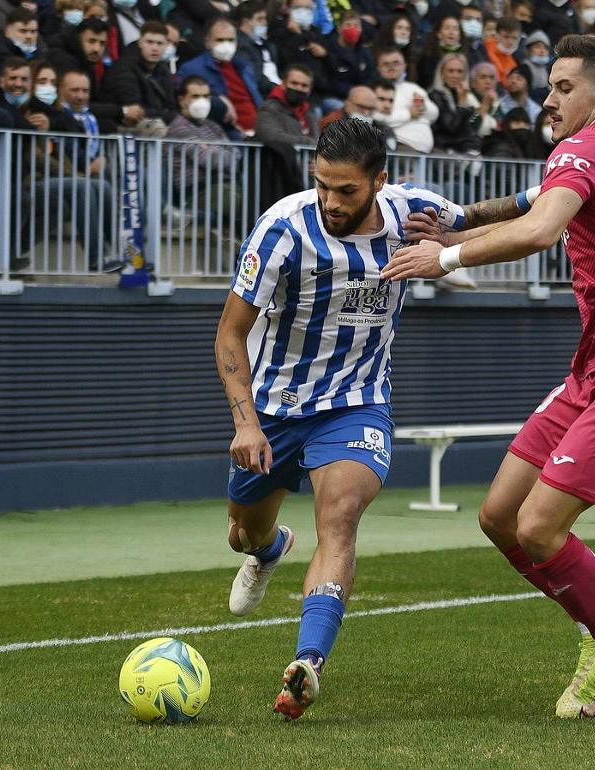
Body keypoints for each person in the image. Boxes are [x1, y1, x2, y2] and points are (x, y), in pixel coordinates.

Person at [383, 35, 595, 719]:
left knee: (541, 528)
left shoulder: (589, 146)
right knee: (499, 518)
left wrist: (446, 256)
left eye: (562, 87)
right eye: (549, 86)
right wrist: (464, 215)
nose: (548, 99)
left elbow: (542, 228)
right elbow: (532, 197)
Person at [215, 118, 526, 722]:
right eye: (323, 186)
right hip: (274, 409)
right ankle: (270, 548)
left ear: (380, 181)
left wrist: (554, 190)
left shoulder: (415, 213)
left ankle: (308, 663)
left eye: (347, 190)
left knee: (341, 515)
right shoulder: (282, 229)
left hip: (357, 402)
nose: (331, 201)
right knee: (242, 532)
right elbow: (230, 332)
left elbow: (493, 220)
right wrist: (246, 424)